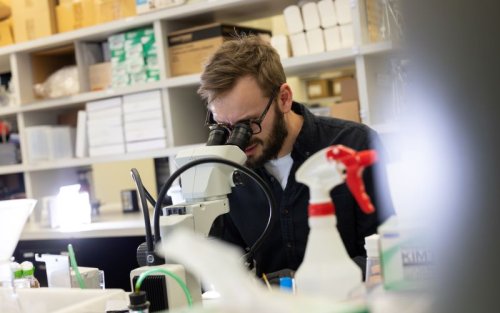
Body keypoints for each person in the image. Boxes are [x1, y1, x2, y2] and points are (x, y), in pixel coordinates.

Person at [197, 35, 394, 278]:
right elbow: (227, 270)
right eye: (223, 127)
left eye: (247, 124)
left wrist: (312, 284)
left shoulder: (355, 144)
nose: (239, 139)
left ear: (284, 98)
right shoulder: (225, 170)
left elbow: (387, 253)